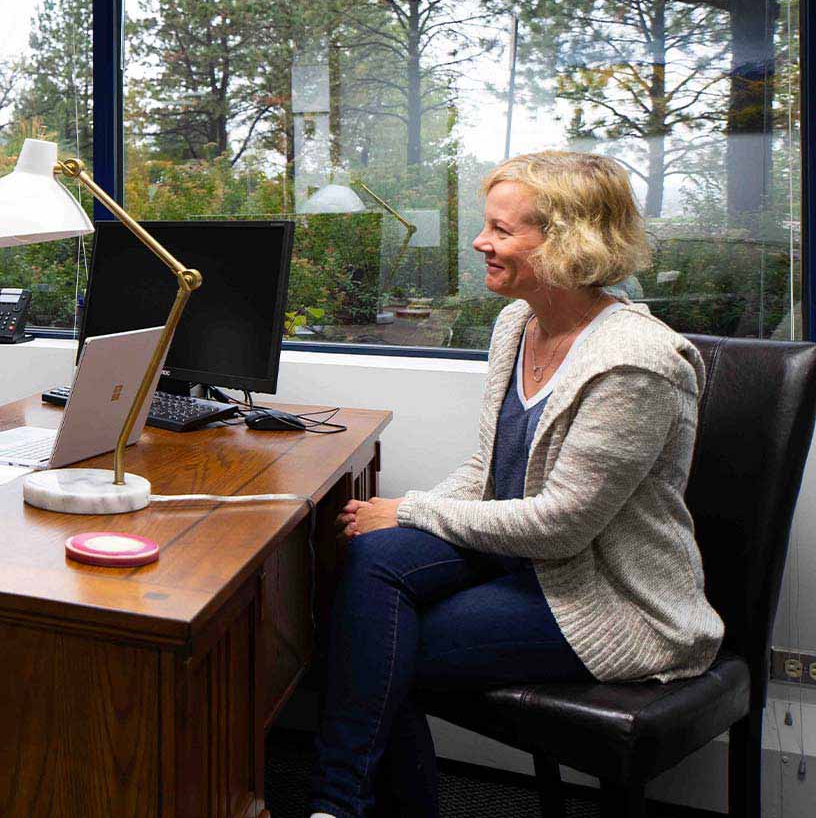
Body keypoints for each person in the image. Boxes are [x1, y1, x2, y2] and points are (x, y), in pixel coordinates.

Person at [307, 151, 724, 818]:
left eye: (501, 230)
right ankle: (339, 807)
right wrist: (404, 519)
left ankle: (337, 805)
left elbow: (562, 525)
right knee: (370, 558)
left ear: (567, 241)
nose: (480, 242)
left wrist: (411, 509)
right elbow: (486, 470)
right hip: (521, 561)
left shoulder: (637, 363)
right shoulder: (517, 325)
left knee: (379, 653)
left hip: (602, 597)